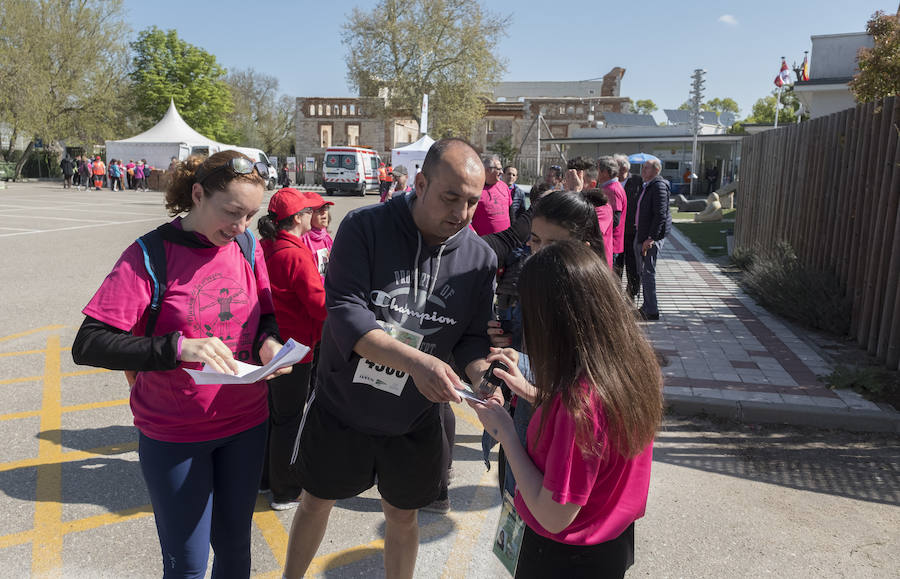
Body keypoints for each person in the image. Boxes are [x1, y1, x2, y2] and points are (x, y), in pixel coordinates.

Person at [283, 138, 497, 579]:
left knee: (403, 516)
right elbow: (345, 313)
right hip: (342, 405)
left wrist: (484, 376)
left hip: (414, 418)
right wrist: (418, 363)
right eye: (450, 197)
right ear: (419, 183)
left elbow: (472, 340)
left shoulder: (480, 258)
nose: (460, 213)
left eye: (472, 202)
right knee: (315, 500)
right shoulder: (365, 226)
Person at [70, 150, 287, 578]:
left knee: (235, 552)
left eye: (251, 215)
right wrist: (175, 348)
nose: (242, 227)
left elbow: (264, 312)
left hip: (245, 424)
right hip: (175, 435)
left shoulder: (245, 245)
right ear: (198, 194)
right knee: (187, 565)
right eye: (231, 212)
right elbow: (89, 343)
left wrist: (268, 342)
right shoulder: (150, 255)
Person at [469, 240, 663, 579]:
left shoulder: (580, 407)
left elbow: (553, 515)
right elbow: (599, 436)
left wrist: (506, 434)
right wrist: (533, 393)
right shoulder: (630, 366)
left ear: (553, 321)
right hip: (608, 544)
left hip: (562, 556)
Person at [258, 188, 328, 511]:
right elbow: (319, 305)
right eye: (308, 212)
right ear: (298, 218)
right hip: (296, 350)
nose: (313, 216)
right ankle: (285, 490)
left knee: (271, 416)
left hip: (268, 346)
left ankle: (264, 479)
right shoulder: (295, 254)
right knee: (289, 420)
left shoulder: (264, 248)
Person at [634, 158, 672, 321]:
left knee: (648, 272)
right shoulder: (648, 185)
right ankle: (647, 306)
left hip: (650, 237)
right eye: (642, 168)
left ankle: (652, 311)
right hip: (642, 233)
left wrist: (651, 238)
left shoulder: (658, 186)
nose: (643, 171)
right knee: (643, 272)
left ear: (656, 170)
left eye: (647, 168)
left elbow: (660, 215)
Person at [614, 154, 643, 300]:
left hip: (632, 230)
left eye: (616, 166)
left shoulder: (637, 180)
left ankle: (631, 293)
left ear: (624, 167)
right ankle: (615, 293)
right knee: (616, 264)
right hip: (617, 231)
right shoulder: (612, 183)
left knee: (632, 264)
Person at [597, 156, 627, 270]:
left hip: (610, 244)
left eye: (597, 169)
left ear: (605, 172)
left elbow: (615, 219)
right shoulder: (612, 187)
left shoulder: (612, 189)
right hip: (612, 243)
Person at [471, 155, 512, 235]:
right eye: (499, 169)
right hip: (484, 243)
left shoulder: (504, 186)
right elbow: (465, 217)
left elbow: (510, 211)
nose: (502, 172)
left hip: (506, 241)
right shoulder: (475, 190)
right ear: (488, 170)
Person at [299, 194, 335, 283]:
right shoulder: (302, 239)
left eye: (326, 208)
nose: (324, 212)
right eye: (318, 210)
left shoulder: (326, 237)